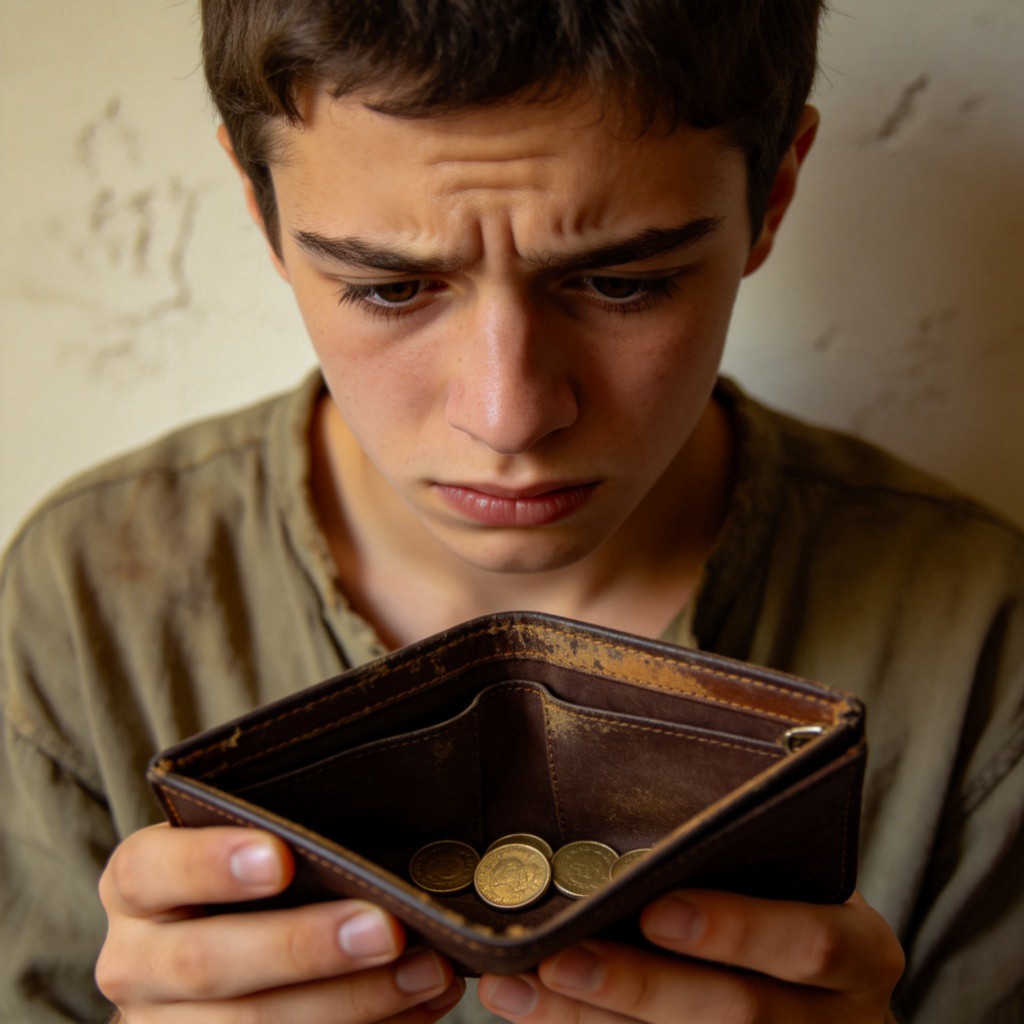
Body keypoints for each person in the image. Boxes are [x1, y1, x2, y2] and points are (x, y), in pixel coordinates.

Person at [1, 0, 1021, 1021]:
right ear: (258, 201)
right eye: (390, 288)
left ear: (774, 194)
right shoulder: (84, 598)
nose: (509, 416)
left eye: (624, 281)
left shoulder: (984, 638)